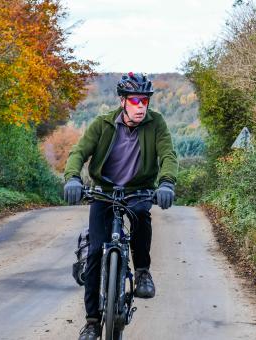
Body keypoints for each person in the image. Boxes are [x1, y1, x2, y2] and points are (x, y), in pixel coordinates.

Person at [63, 72, 178, 340]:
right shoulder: (102, 124)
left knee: (140, 215)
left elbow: (168, 156)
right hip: (103, 191)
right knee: (93, 254)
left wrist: (166, 184)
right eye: (136, 100)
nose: (141, 106)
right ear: (123, 101)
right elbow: (79, 153)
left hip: (138, 191)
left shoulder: (156, 124)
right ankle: (92, 322)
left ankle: (142, 272)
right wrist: (72, 178)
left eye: (145, 101)